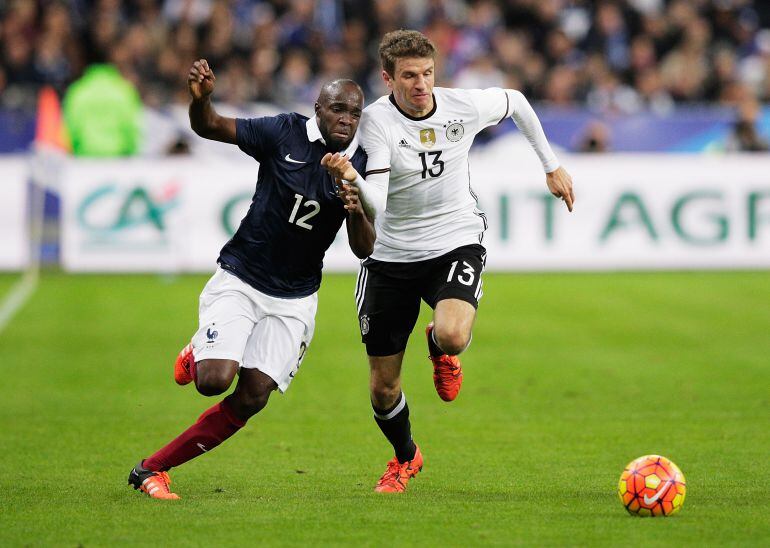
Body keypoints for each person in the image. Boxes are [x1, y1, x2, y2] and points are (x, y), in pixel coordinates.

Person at [322, 30, 574, 493]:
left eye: (428, 73)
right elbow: (374, 202)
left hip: (455, 238)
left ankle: (438, 347)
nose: (421, 85)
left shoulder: (462, 106)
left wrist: (550, 165)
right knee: (382, 388)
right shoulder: (377, 122)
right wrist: (352, 177)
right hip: (391, 255)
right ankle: (405, 457)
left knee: (454, 335)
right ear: (388, 78)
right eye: (409, 76)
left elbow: (516, 101)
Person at [127, 59, 374, 499]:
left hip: (296, 297)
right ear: (317, 108)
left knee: (253, 396)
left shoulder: (362, 164)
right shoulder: (283, 132)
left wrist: (355, 205)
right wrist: (200, 101)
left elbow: (364, 248)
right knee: (213, 381)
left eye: (355, 113)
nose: (346, 120)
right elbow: (211, 127)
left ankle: (152, 469)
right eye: (338, 109)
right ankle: (198, 349)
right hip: (242, 277)